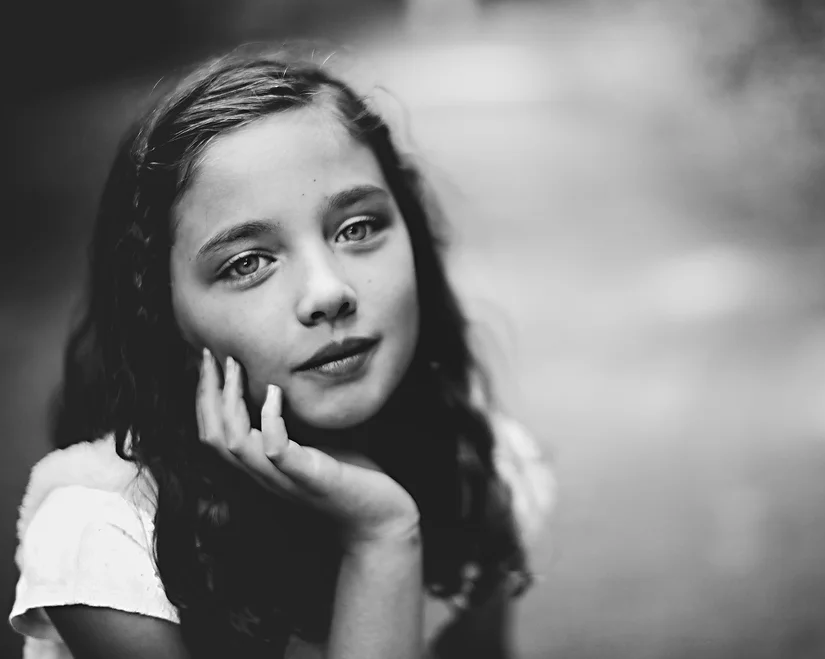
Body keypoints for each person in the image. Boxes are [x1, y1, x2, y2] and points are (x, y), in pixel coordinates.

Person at [7, 45, 555, 659]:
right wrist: (381, 538)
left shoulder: (474, 462)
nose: (328, 292)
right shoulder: (108, 543)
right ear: (160, 312)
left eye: (358, 228)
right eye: (248, 263)